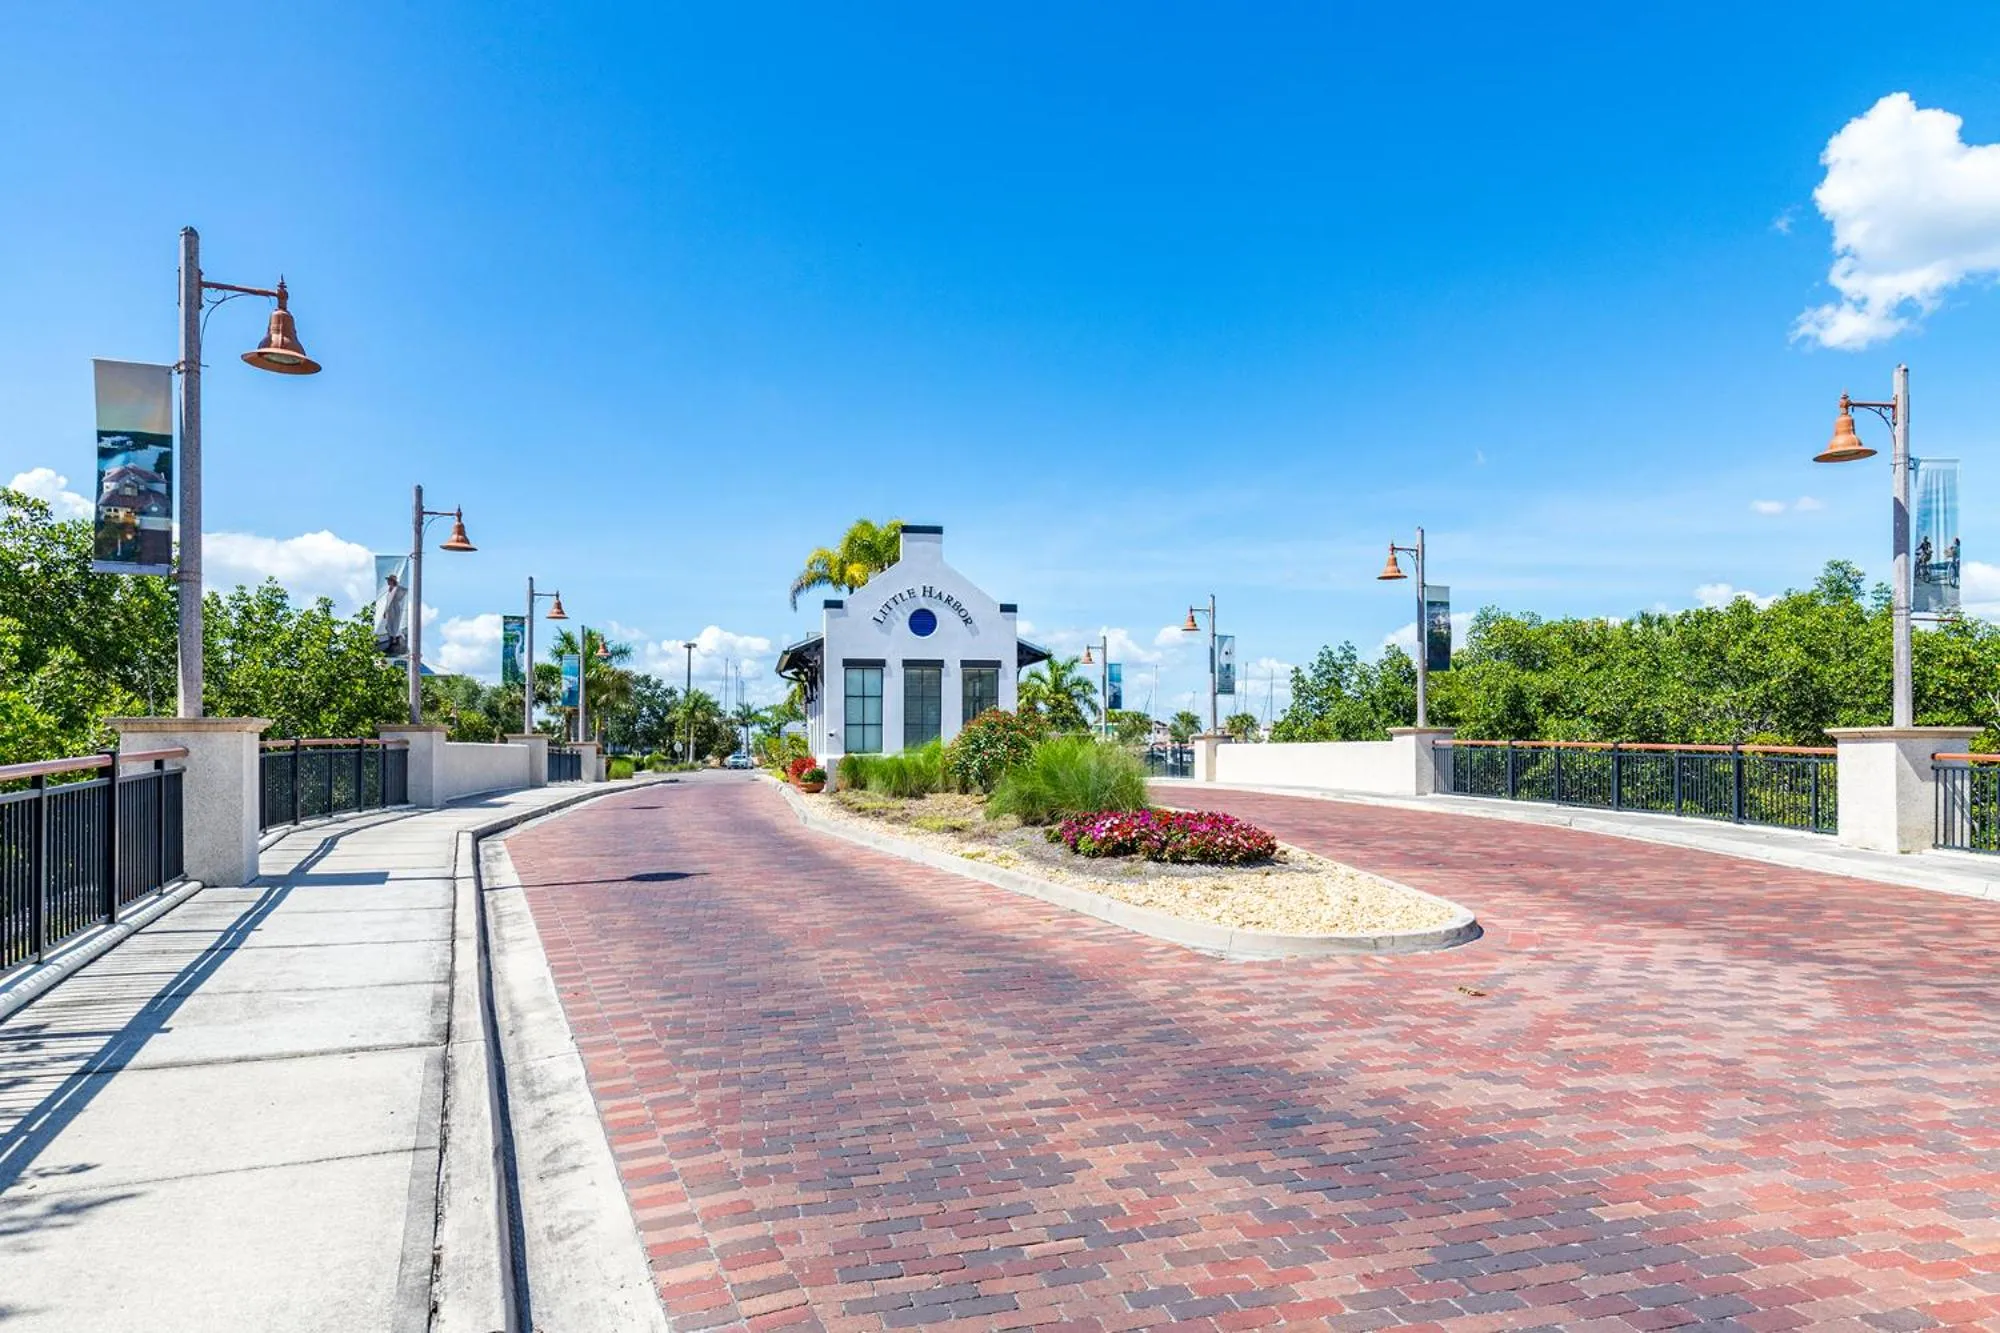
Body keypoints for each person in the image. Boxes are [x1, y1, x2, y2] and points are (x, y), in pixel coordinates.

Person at [374, 571, 408, 657]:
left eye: (389, 580)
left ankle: (395, 643)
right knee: (389, 626)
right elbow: (388, 602)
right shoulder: (390, 590)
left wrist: (397, 587)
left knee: (394, 626)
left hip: (395, 609)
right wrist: (385, 611)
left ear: (392, 581)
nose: (388, 582)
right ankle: (392, 642)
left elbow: (404, 591)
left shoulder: (397, 589)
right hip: (390, 610)